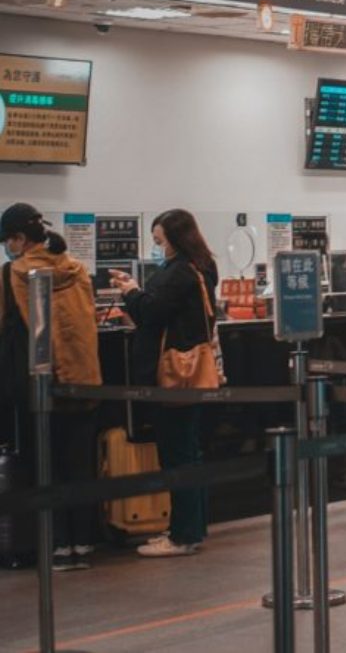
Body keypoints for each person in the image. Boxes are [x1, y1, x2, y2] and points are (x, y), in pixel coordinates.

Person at [110, 209, 219, 557]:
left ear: (174, 238)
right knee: (190, 452)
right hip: (195, 372)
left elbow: (150, 314)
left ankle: (182, 535)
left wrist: (130, 291)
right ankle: (192, 529)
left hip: (174, 374)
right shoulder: (203, 266)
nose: (158, 247)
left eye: (159, 241)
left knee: (177, 455)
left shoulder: (178, 273)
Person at [3, 204, 101, 570]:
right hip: (86, 379)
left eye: (8, 240)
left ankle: (57, 545)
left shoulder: (14, 273)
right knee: (80, 463)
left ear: (19, 239)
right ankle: (85, 542)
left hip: (43, 383)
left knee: (47, 465)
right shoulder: (76, 268)